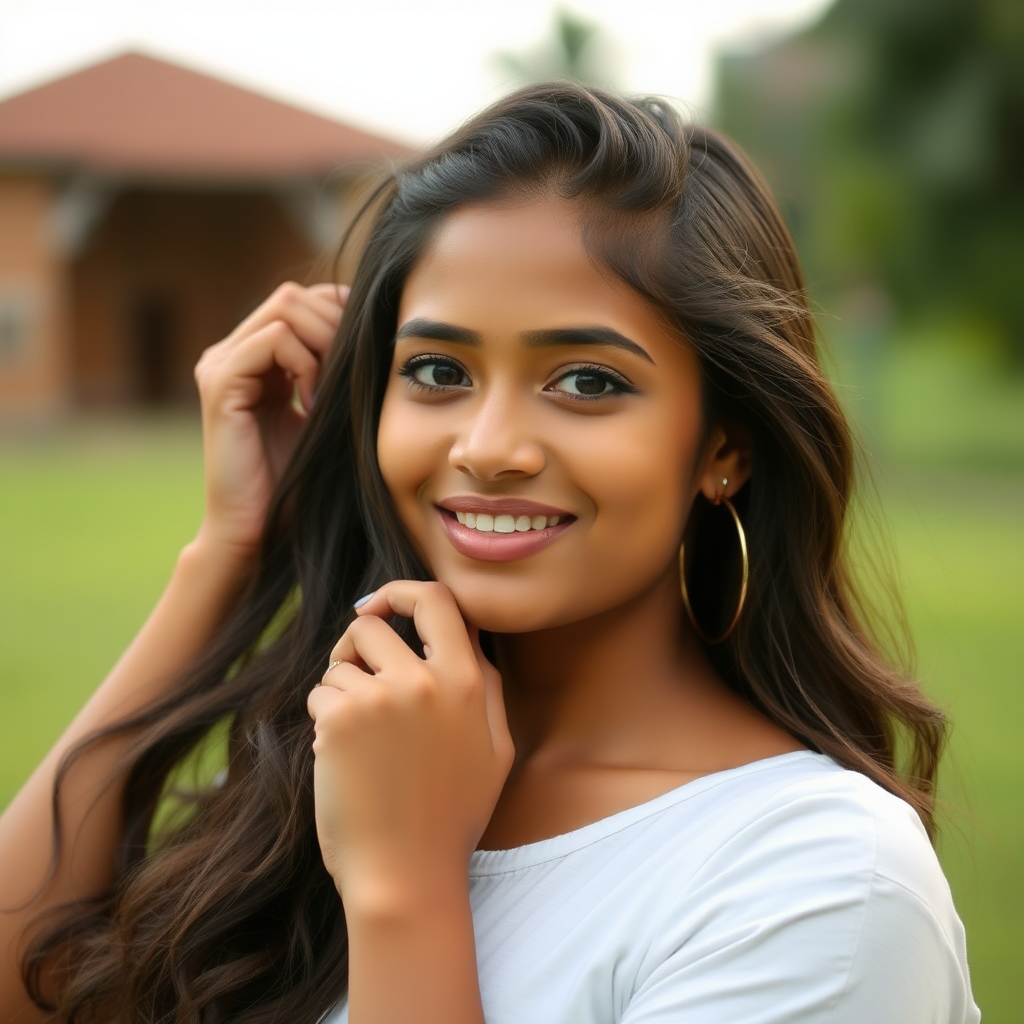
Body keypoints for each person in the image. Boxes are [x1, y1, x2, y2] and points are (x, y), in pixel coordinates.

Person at [0, 83, 979, 1024]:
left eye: (587, 381)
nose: (486, 446)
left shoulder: (819, 888)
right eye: (437, 371)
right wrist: (232, 551)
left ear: (723, 447)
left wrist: (403, 887)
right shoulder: (345, 762)